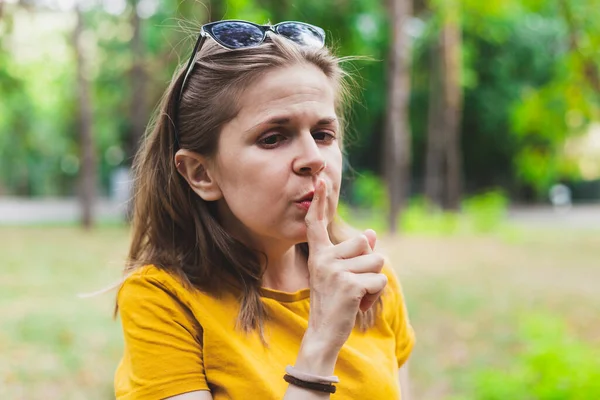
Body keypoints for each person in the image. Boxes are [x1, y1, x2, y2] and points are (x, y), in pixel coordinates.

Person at [114, 20, 415, 400]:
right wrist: (320, 343)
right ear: (201, 173)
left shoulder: (369, 276)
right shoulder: (164, 300)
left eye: (323, 134)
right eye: (273, 138)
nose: (312, 159)